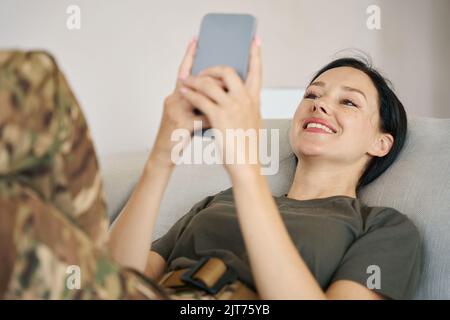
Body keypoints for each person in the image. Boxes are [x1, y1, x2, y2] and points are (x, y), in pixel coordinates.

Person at [0, 34, 421, 300]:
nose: (321, 104)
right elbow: (118, 278)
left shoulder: (384, 228)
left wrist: (243, 167)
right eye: (313, 94)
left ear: (381, 142)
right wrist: (163, 154)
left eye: (348, 101)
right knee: (33, 75)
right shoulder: (218, 203)